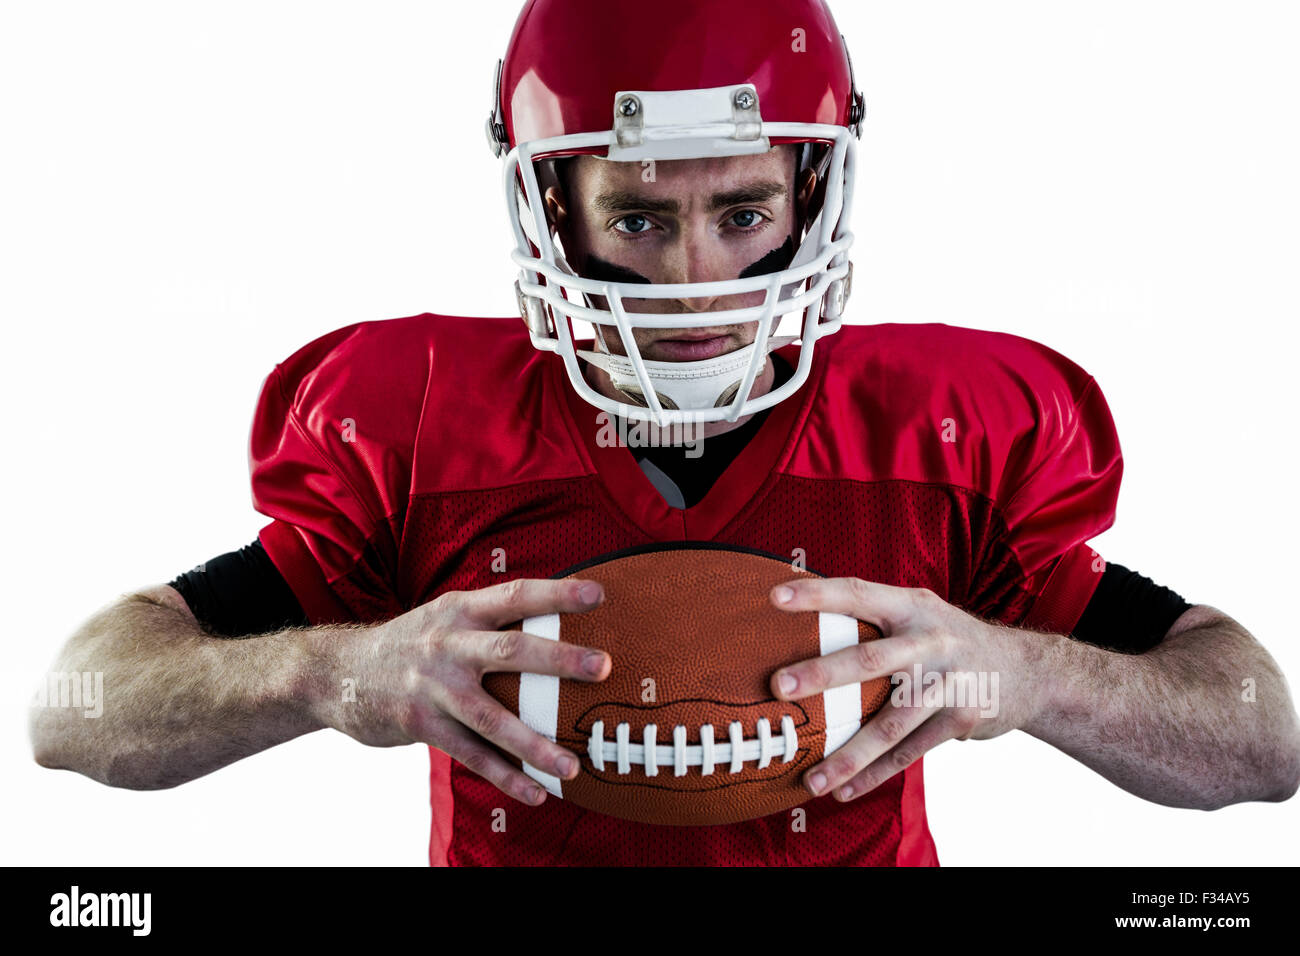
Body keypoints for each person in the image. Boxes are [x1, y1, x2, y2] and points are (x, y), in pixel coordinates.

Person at [29, 0, 1300, 866]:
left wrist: (1029, 673)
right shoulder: (419, 421)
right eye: (639, 221)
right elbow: (76, 705)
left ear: (811, 193)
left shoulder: (945, 431)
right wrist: (331, 671)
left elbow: (1258, 732)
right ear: (550, 210)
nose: (701, 278)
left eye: (742, 210)